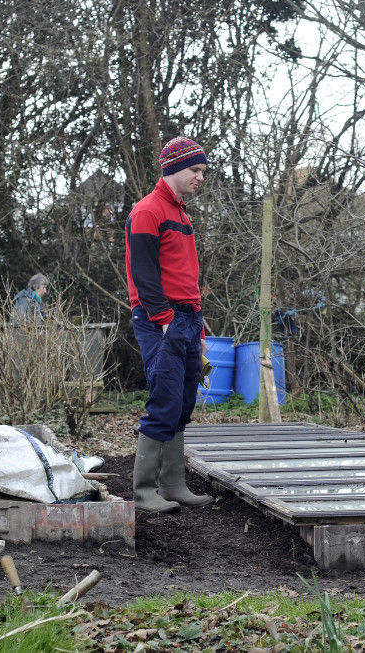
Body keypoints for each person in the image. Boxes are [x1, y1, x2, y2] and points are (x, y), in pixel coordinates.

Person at [125, 136, 213, 513]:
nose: (200, 178)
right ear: (174, 167)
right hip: (162, 318)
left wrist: (201, 331)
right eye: (195, 170)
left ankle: (173, 484)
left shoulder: (182, 214)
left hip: (188, 319)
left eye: (203, 171)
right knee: (164, 398)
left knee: (183, 401)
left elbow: (187, 277)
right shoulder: (148, 211)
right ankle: (144, 491)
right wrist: (164, 321)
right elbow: (143, 274)